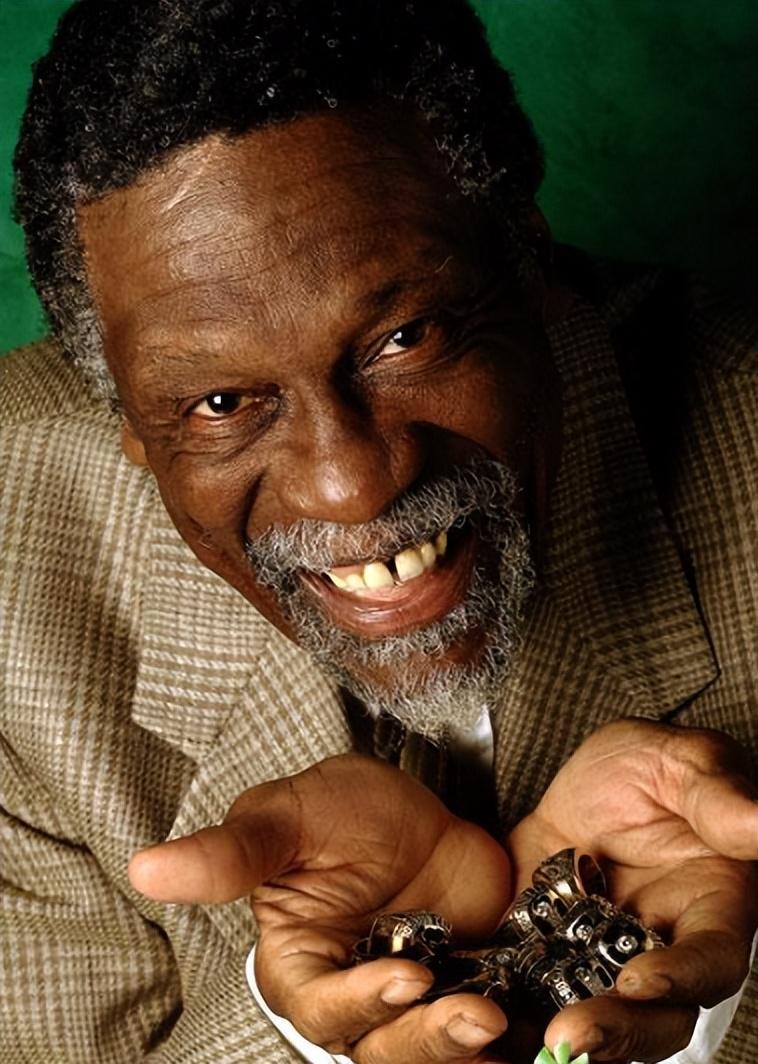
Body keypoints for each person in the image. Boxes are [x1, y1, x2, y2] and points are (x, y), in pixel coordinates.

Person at [1, 0, 756, 1061]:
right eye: (222, 403)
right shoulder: (14, 571)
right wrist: (304, 1032)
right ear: (124, 420)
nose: (351, 487)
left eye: (406, 336)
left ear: (526, 264)